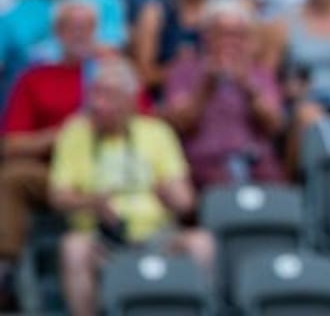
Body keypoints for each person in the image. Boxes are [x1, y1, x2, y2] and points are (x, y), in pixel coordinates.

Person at [49, 58, 214, 316]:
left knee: (201, 242)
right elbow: (58, 197)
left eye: (109, 95)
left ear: (130, 100)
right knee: (73, 247)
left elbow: (186, 202)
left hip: (158, 236)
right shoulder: (75, 133)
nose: (97, 103)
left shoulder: (157, 132)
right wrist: (92, 203)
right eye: (95, 93)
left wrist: (171, 195)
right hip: (102, 241)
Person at [0, 0, 108, 298]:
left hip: (113, 167)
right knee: (12, 175)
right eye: (71, 27)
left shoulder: (112, 74)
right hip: (54, 172)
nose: (79, 34)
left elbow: (148, 128)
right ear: (57, 33)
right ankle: (5, 267)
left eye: (87, 27)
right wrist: (60, 135)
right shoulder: (35, 77)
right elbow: (10, 145)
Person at [163, 0, 285, 187]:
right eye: (224, 34)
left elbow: (275, 125)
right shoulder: (184, 70)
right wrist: (205, 86)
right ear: (206, 36)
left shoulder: (260, 73)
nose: (232, 42)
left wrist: (248, 87)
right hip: (204, 164)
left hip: (256, 163)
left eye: (239, 35)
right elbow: (178, 124)